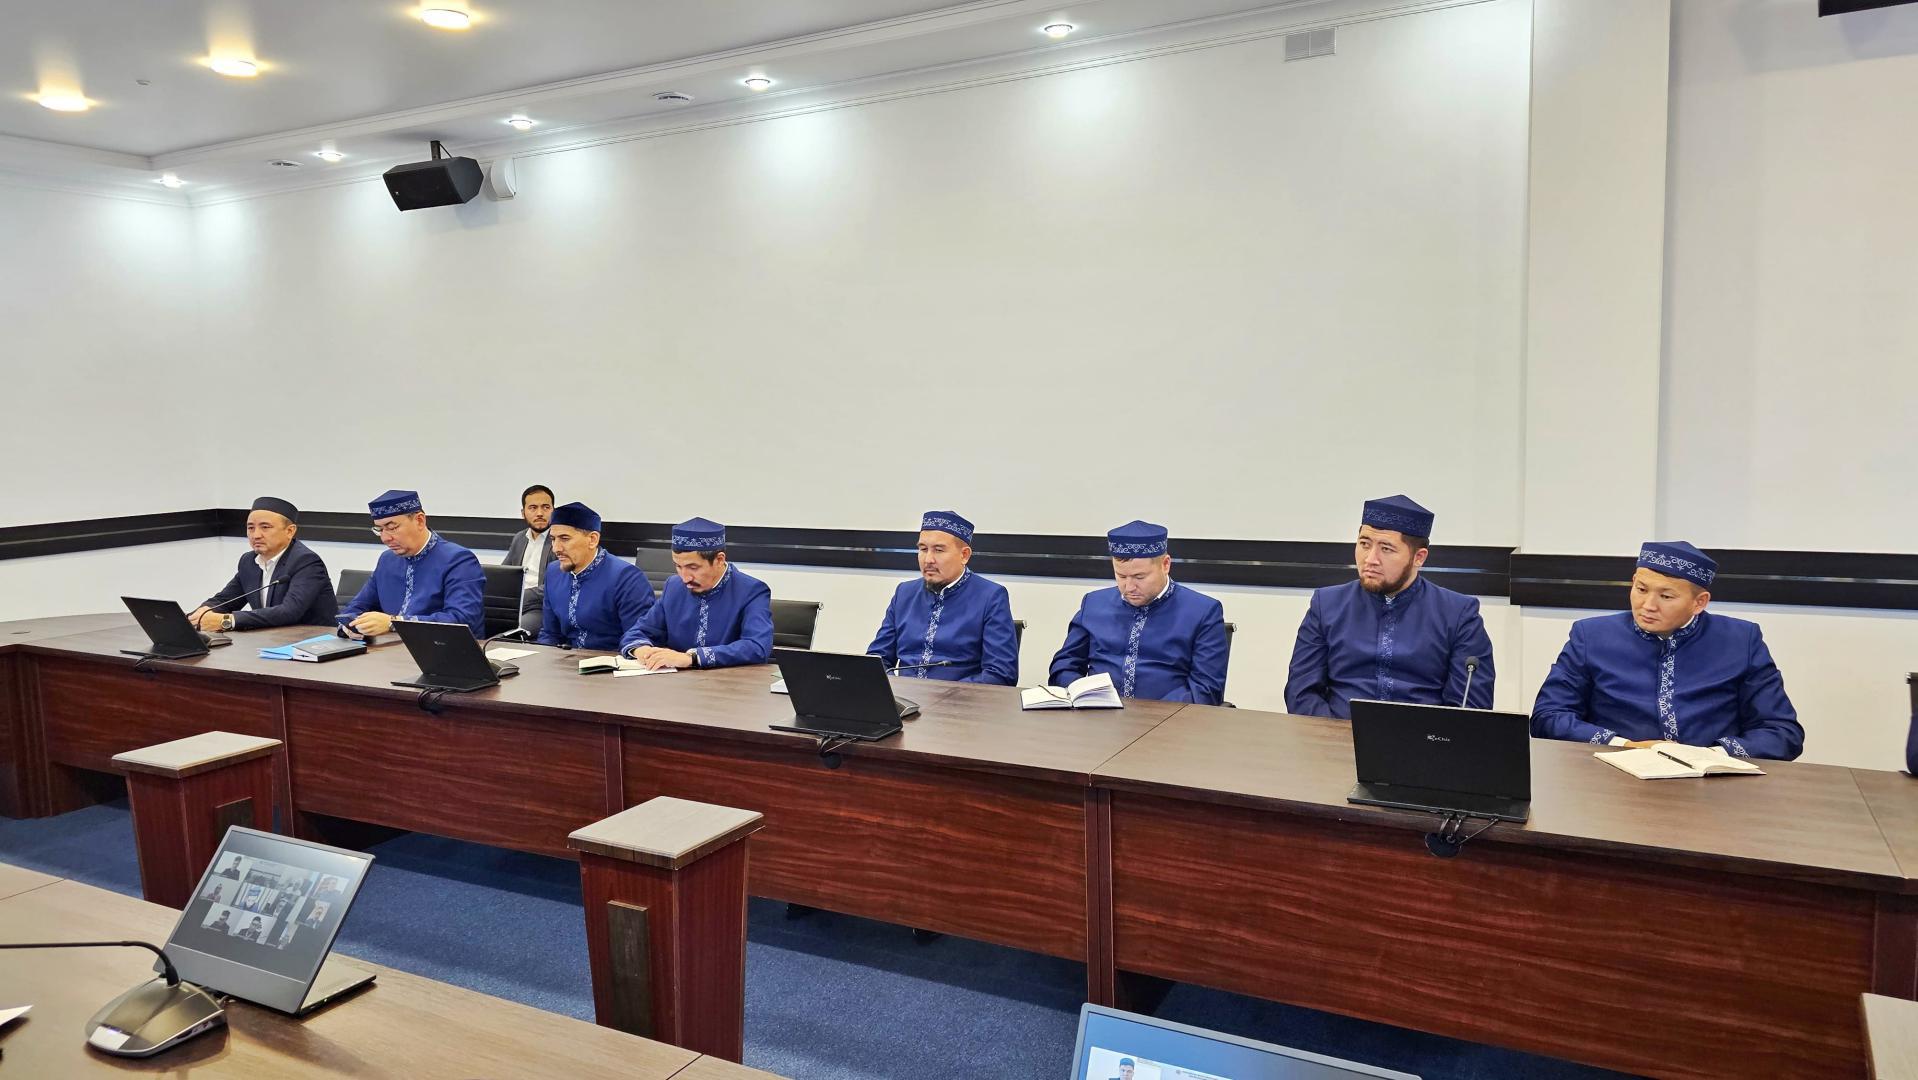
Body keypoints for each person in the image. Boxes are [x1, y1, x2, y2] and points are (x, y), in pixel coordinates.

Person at [1531, 541, 1803, 759]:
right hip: (1613, 778)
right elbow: (1548, 717)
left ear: (1699, 602)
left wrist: (1709, 756)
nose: (1648, 605)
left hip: (1713, 785)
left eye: (1666, 596)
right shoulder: (1592, 636)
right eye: (1641, 589)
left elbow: (1782, 733)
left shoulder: (1740, 640)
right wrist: (1624, 746)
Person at [1284, 495, 1494, 718]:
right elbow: (1301, 693)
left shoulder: (1458, 614)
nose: (1370, 559)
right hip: (1335, 733)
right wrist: (1335, 733)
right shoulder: (1327, 604)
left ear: (1419, 557)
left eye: (1386, 549)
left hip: (1421, 737)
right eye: (1364, 544)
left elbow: (1471, 708)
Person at [1048, 521, 1228, 704]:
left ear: (1165, 565)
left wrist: (1151, 712)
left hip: (1169, 717)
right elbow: (1064, 665)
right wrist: (1081, 693)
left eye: (1139, 577)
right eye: (1121, 576)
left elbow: (1206, 688)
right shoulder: (1094, 604)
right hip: (1097, 713)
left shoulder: (1202, 612)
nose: (1129, 587)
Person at [865, 511, 1018, 684]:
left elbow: (1000, 674)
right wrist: (894, 687)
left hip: (960, 699)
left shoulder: (990, 597)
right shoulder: (904, 593)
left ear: (964, 555)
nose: (928, 559)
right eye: (923, 549)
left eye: (938, 550)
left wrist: (944, 693)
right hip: (903, 697)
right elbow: (877, 659)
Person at [619, 518, 774, 670]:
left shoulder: (751, 591)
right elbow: (639, 631)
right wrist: (642, 650)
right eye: (678, 566)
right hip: (675, 680)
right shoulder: (673, 586)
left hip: (728, 681)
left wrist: (691, 658)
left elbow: (757, 647)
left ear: (719, 560)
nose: (685, 578)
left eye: (693, 568)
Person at [337, 489, 486, 638]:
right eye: (379, 529)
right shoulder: (387, 560)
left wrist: (393, 623)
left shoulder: (458, 560)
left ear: (419, 521)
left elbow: (462, 619)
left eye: (392, 528)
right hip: (392, 648)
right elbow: (357, 606)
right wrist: (349, 626)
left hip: (444, 647)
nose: (385, 538)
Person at [190, 497, 337, 631]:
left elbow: (289, 612)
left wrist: (228, 621)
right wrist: (201, 614)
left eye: (265, 527)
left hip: (312, 642)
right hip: (269, 639)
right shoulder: (248, 561)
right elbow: (225, 600)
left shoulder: (306, 561)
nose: (256, 535)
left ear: (290, 531)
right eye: (250, 528)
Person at [537, 502, 655, 650]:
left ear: (592, 539)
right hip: (564, 659)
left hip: (610, 660)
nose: (555, 548)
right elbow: (549, 633)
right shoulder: (554, 572)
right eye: (553, 539)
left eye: (565, 538)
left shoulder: (627, 578)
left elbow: (638, 640)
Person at [504, 485, 555, 632]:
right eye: (533, 508)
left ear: (553, 511)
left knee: (512, 632)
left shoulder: (558, 541)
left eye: (546, 507)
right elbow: (505, 573)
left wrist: (522, 596)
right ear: (523, 513)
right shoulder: (520, 538)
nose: (540, 513)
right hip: (515, 605)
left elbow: (556, 585)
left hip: (540, 607)